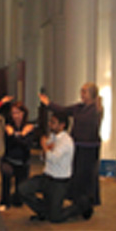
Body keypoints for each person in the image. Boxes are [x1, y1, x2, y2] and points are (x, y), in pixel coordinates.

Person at [39, 82, 103, 215]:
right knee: (76, 175)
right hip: (78, 145)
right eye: (81, 91)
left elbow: (90, 117)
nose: (82, 94)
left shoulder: (95, 109)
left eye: (84, 92)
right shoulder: (79, 107)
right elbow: (63, 110)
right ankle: (78, 201)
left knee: (87, 176)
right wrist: (49, 104)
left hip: (89, 148)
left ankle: (87, 202)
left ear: (91, 94)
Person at [0, 102, 34, 212]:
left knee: (19, 200)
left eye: (18, 113)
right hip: (9, 160)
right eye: (13, 113)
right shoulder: (8, 127)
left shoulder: (29, 127)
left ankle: (15, 197)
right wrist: (21, 135)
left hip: (23, 162)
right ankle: (4, 201)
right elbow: (10, 144)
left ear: (24, 113)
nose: (16, 116)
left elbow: (27, 145)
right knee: (6, 173)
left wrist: (17, 135)